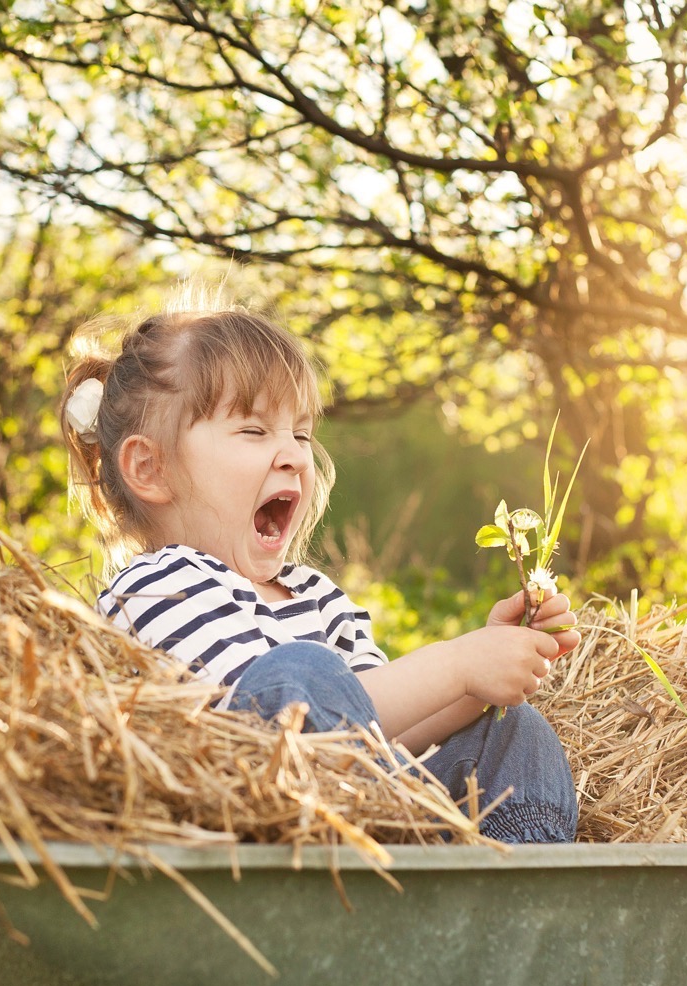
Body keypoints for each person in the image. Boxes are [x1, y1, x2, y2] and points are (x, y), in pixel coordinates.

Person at [59, 290, 581, 844]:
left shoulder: (314, 595)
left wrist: (476, 685)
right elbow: (275, 733)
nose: (294, 455)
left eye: (302, 434)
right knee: (299, 675)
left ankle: (519, 887)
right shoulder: (155, 588)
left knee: (510, 731)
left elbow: (379, 730)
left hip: (379, 816)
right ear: (150, 468)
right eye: (254, 431)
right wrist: (455, 664)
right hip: (266, 841)